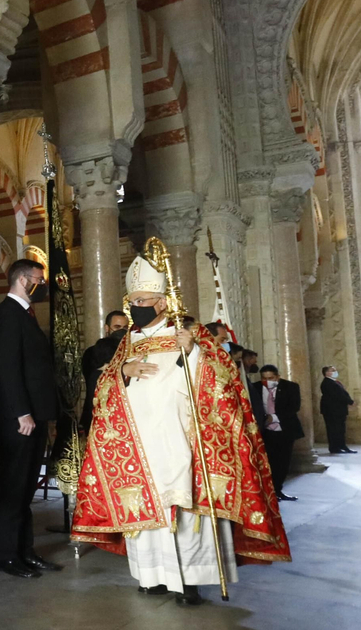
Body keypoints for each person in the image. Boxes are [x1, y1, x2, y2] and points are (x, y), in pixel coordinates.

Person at [72, 252, 291, 603]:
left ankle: (188, 580)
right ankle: (151, 575)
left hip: (181, 436)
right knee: (147, 509)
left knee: (184, 509)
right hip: (138, 442)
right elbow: (104, 387)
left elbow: (222, 383)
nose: (135, 307)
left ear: (161, 301)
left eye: (142, 300)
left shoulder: (190, 332)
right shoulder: (128, 341)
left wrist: (193, 355)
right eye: (132, 301)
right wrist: (123, 371)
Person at [0, 258, 60, 579]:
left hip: (34, 414)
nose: (42, 287)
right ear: (22, 279)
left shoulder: (25, 315)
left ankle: (25, 551)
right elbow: (5, 368)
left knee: (26, 487)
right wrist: (21, 411)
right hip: (17, 417)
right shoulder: (5, 314)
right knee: (13, 486)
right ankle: (6, 555)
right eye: (38, 281)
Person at [251, 365, 304, 501]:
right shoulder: (254, 387)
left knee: (283, 463)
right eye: (264, 378)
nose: (267, 381)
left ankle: (278, 490)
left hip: (284, 430)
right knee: (267, 462)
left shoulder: (291, 387)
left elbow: (294, 407)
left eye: (271, 378)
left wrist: (273, 417)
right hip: (264, 431)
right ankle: (267, 492)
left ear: (277, 376)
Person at [80, 310, 129, 436]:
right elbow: (94, 381)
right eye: (117, 327)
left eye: (125, 328)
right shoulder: (93, 352)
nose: (121, 331)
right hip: (99, 414)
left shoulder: (131, 350)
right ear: (107, 328)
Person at [319, 366, 357, 454]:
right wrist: (350, 402)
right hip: (332, 411)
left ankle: (342, 445)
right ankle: (335, 447)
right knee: (333, 429)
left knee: (340, 429)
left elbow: (342, 393)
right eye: (333, 370)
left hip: (338, 410)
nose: (335, 372)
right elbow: (338, 395)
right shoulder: (327, 383)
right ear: (327, 373)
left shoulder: (334, 382)